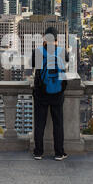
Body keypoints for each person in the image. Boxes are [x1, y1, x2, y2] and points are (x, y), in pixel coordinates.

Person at [31, 27, 69, 161]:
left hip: (41, 91)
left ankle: (38, 152)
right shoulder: (62, 51)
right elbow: (66, 62)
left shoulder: (38, 52)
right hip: (58, 92)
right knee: (58, 123)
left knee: (39, 123)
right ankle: (59, 152)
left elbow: (33, 65)